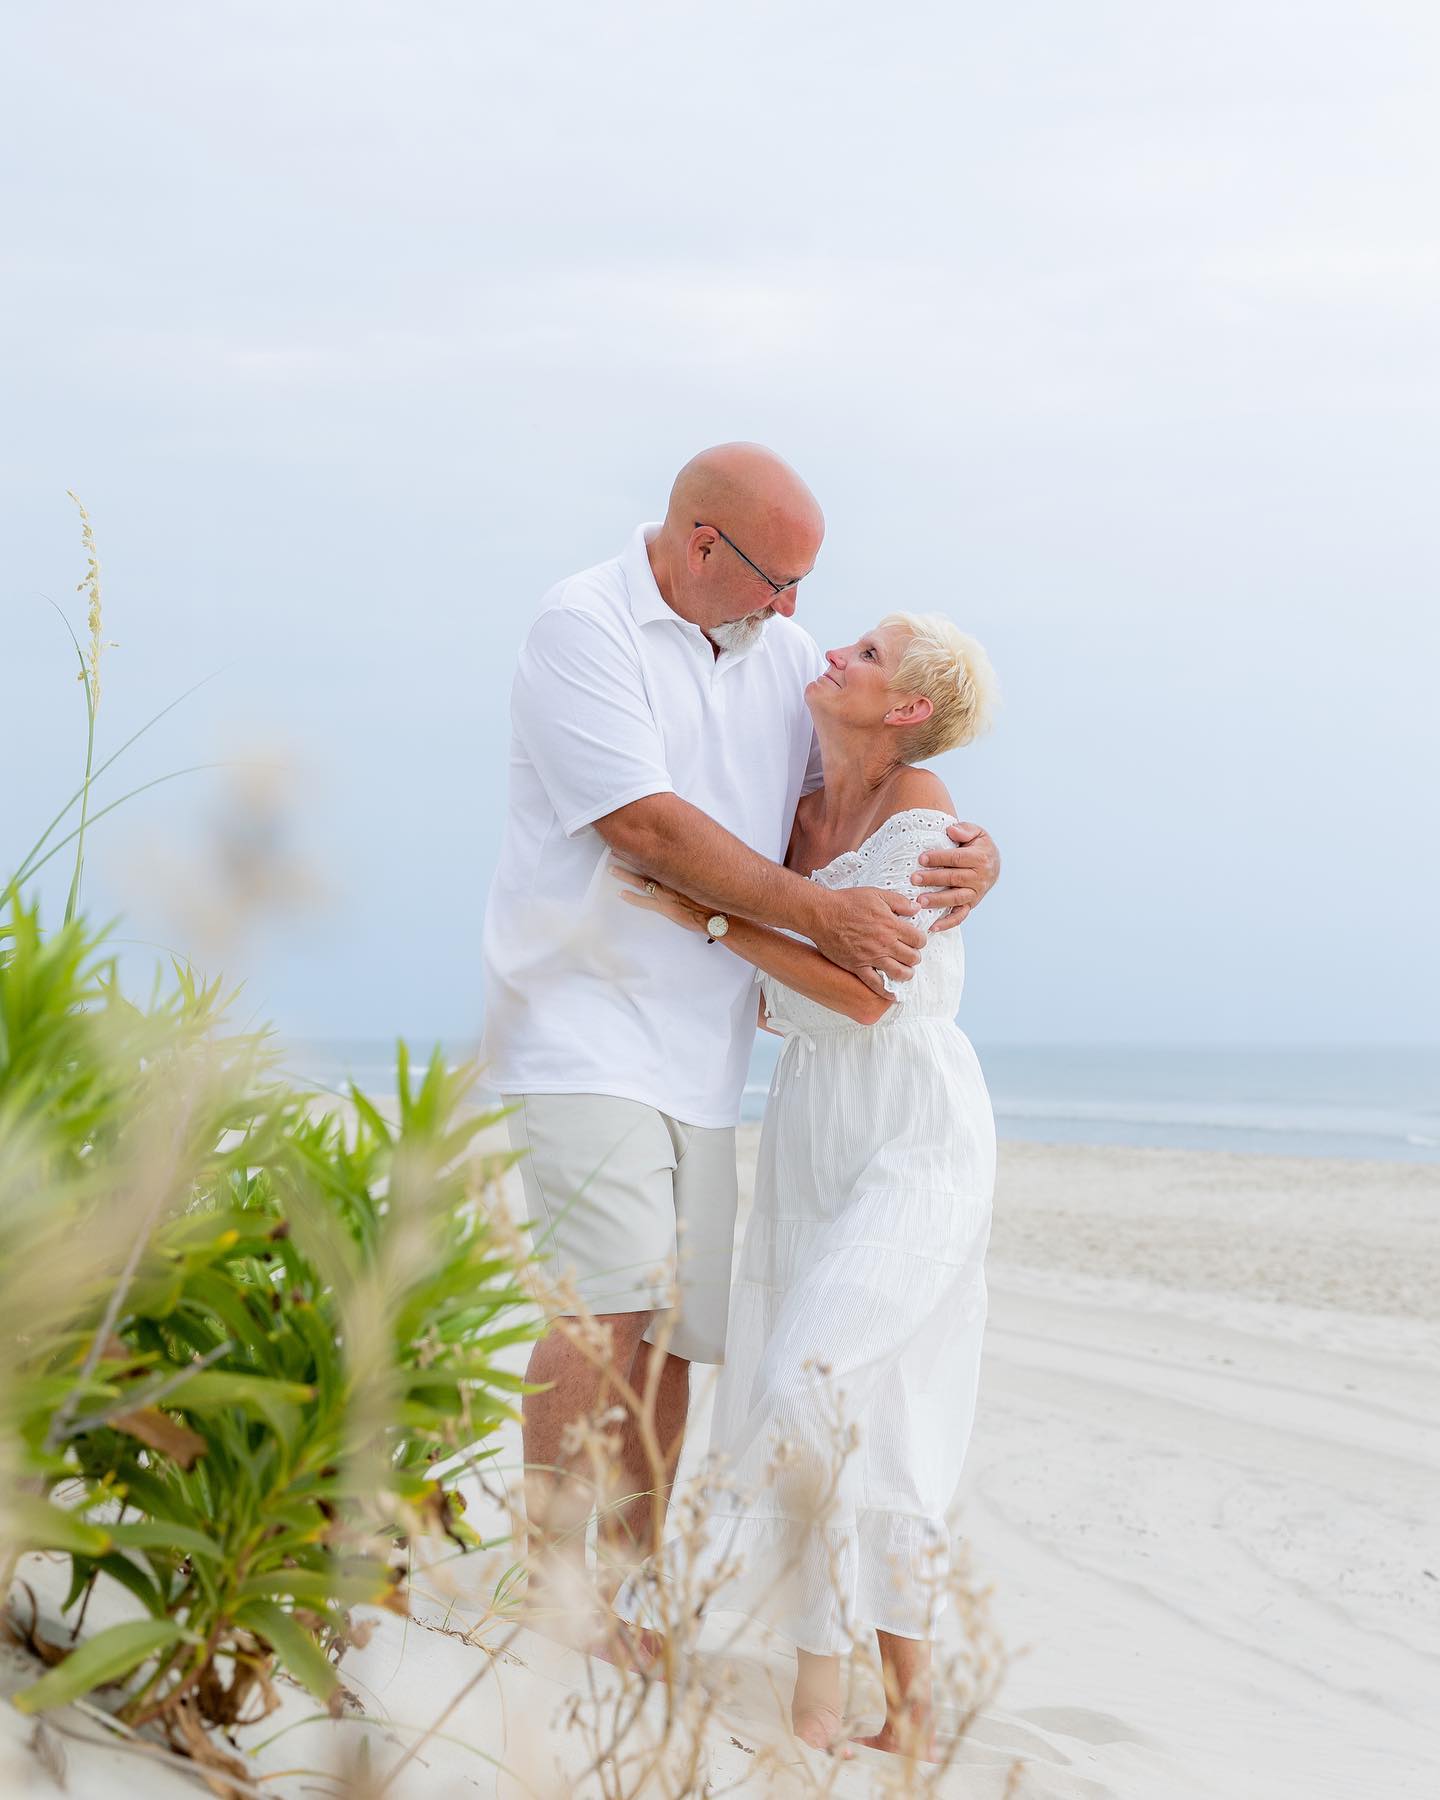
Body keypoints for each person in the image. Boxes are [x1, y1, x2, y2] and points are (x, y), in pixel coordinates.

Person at [480, 443, 1000, 1651]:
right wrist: (818, 915)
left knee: (674, 1332)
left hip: (704, 1051)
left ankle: (620, 1592)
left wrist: (979, 856)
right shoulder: (584, 626)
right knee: (601, 1302)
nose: (796, 612)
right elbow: (645, 822)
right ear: (705, 543)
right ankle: (551, 1598)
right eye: (781, 579)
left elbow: (863, 800)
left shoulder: (774, 662)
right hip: (580, 1022)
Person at [613, 612, 998, 1759]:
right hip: (807, 1128)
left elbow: (869, 991)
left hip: (915, 1129)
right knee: (864, 1405)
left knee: (806, 1377)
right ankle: (906, 1708)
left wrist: (720, 917)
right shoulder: (789, 813)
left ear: (910, 710)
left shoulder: (924, 811)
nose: (839, 652)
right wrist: (733, 904)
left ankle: (738, 1656)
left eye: (871, 655)